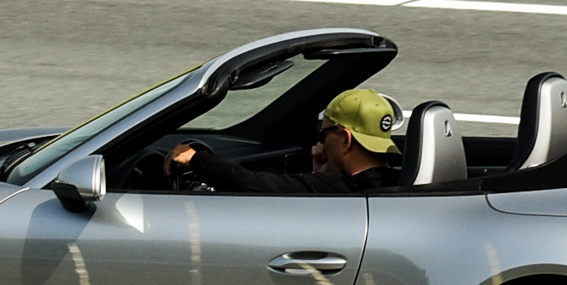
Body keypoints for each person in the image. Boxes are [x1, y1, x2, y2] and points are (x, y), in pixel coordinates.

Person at [167, 88, 403, 195]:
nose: (319, 146)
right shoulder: (401, 180)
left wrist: (196, 159)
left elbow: (256, 184)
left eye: (322, 136)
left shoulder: (341, 189)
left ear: (345, 139)